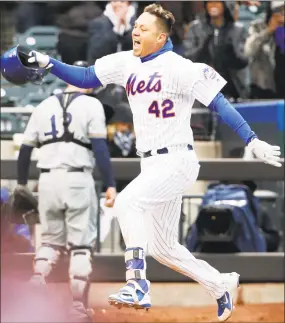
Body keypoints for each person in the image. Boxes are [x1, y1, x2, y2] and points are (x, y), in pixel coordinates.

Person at [22, 3, 282, 322]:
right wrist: (49, 63)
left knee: (127, 203)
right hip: (151, 164)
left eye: (143, 28)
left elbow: (220, 104)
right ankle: (220, 283)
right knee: (162, 247)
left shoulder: (181, 67)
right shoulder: (127, 62)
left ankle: (137, 284)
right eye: (135, 25)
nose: (135, 31)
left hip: (176, 158)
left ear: (160, 37)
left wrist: (251, 139)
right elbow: (87, 77)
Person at [16, 61, 116, 322]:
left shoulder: (44, 104)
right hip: (77, 179)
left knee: (49, 242)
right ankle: (77, 308)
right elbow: (101, 150)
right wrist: (111, 184)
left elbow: (25, 150)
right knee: (81, 246)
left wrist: (22, 184)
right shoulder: (92, 104)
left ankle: (36, 284)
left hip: (47, 181)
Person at [183, 1, 250, 101]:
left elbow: (244, 61)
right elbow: (187, 58)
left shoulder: (238, 30)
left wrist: (231, 52)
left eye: (217, 2)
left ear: (225, 5)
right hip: (202, 88)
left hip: (233, 89)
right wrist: (204, 47)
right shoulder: (195, 28)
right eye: (210, 2)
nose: (213, 5)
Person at [244, 1, 285, 99]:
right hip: (264, 89)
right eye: (278, 11)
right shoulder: (257, 26)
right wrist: (268, 31)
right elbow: (248, 51)